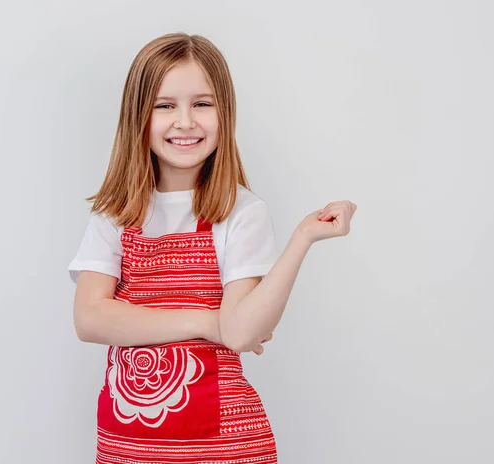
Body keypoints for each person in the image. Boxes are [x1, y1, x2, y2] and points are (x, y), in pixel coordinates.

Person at [68, 32, 357, 464]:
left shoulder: (240, 211)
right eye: (165, 105)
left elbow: (240, 333)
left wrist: (303, 238)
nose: (185, 121)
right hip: (128, 446)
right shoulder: (115, 213)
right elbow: (90, 319)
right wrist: (208, 321)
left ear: (226, 113)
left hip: (224, 446)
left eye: (202, 104)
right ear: (138, 117)